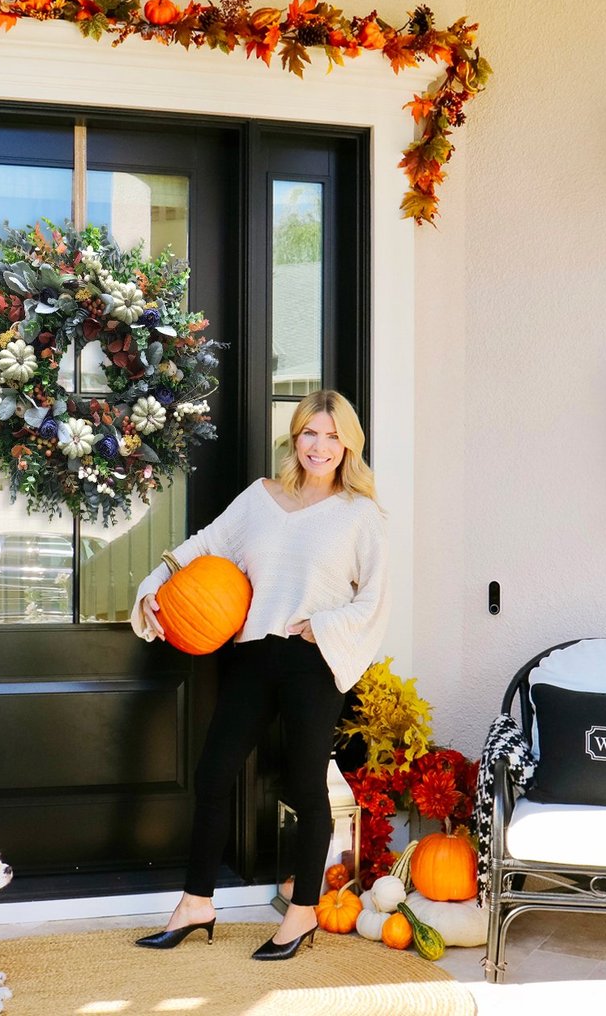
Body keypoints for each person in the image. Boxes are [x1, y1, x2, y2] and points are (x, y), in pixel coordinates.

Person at [130, 389, 389, 960]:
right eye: (309, 433)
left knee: (304, 785)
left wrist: (319, 627)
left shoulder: (360, 513)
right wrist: (154, 588)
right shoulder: (261, 498)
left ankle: (301, 915)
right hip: (252, 653)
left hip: (311, 659)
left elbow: (374, 601)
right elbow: (203, 547)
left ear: (348, 443)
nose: (320, 446)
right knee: (214, 773)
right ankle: (196, 902)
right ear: (294, 438)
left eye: (332, 435)